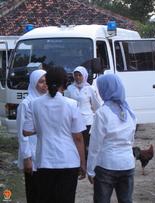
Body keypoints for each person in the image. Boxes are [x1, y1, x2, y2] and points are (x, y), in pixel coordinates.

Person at [23, 67, 86, 203]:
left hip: (44, 160)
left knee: (46, 198)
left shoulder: (34, 104)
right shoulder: (71, 104)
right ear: (64, 83)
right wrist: (83, 163)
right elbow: (78, 137)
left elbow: (26, 131)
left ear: (48, 82)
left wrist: (43, 127)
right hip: (68, 161)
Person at [87, 74, 136, 203]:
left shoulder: (102, 113)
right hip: (127, 163)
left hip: (106, 165)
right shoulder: (129, 111)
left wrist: (90, 170)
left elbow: (95, 145)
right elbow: (131, 139)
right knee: (126, 200)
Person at [17, 69, 47, 203]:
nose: (44, 85)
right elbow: (22, 134)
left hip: (46, 154)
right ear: (34, 83)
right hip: (32, 154)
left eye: (46, 81)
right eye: (41, 82)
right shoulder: (26, 104)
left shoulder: (48, 101)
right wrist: (27, 157)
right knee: (34, 191)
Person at [66, 66, 101, 160]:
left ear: (84, 76)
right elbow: (66, 105)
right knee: (75, 144)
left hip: (87, 121)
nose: (77, 77)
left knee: (86, 145)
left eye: (80, 75)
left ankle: (86, 166)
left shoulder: (90, 89)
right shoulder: (69, 89)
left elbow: (96, 105)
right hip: (73, 121)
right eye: (76, 75)